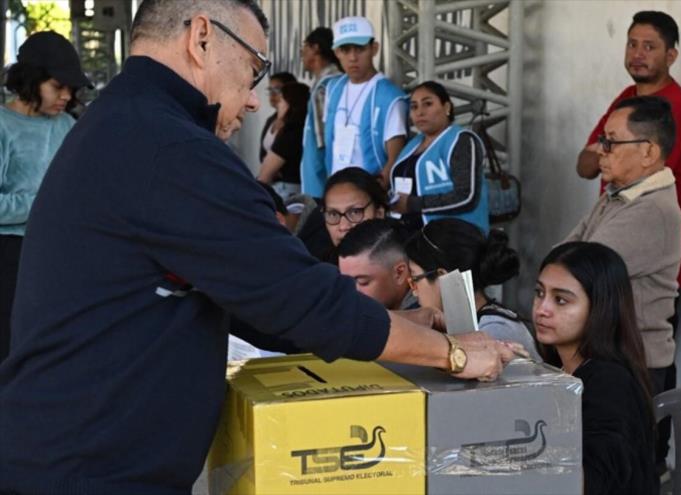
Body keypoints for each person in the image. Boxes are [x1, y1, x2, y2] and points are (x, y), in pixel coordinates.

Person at [0, 1, 514, 492]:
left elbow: (257, 301)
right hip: (89, 471)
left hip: (74, 452)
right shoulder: (169, 147)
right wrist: (450, 353)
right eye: (252, 68)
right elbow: (297, 298)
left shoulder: (124, 124)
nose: (251, 97)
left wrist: (407, 328)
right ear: (202, 37)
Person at [563, 95, 681, 475]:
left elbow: (576, 271)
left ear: (648, 151)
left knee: (620, 475)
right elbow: (560, 258)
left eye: (611, 142)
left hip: (636, 364)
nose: (601, 151)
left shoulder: (653, 210)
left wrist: (564, 269)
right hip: (610, 356)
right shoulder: (616, 198)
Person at [576, 10, 681, 290]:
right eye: (632, 44)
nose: (638, 54)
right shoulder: (627, 98)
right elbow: (583, 166)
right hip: (610, 244)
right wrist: (608, 154)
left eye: (649, 46)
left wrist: (600, 151)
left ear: (671, 56)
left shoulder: (676, 106)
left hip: (646, 259)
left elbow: (633, 177)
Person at [533, 241, 658, 494]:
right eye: (539, 293)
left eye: (561, 300)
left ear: (599, 308)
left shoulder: (610, 384)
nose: (542, 309)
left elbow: (590, 484)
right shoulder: (562, 368)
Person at [0, 31, 91, 363]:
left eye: (71, 88)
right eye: (57, 86)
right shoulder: (2, 126)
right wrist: (44, 202)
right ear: (30, 79)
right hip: (10, 255)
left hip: (59, 251)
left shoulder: (66, 125)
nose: (66, 95)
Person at [405, 218, 542, 361]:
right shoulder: (469, 325)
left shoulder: (493, 331)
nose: (414, 292)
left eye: (415, 279)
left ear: (443, 277)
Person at [389, 81, 489, 233]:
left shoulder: (461, 140)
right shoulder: (412, 145)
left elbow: (466, 197)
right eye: (414, 106)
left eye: (427, 104)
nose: (420, 112)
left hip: (455, 239)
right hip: (412, 237)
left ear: (447, 107)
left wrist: (412, 204)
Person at [322, 16, 407, 190]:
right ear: (336, 52)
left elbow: (395, 156)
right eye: (345, 50)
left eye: (360, 48)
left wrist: (375, 194)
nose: (353, 57)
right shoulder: (333, 88)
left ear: (374, 48)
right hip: (337, 190)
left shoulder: (389, 96)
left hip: (369, 192)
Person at [300, 26, 343, 198]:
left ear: (315, 48)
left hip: (321, 185)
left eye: (304, 46)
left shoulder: (326, 87)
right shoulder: (332, 82)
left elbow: (324, 142)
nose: (302, 53)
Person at [338, 218, 418, 310]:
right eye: (344, 283)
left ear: (399, 273)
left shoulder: (427, 320)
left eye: (362, 282)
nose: (349, 294)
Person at [318, 167, 389, 263]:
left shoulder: (407, 265)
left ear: (379, 214)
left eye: (355, 212)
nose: (343, 226)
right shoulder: (320, 271)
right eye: (333, 214)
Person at [256, 80, 310, 198]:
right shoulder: (306, 130)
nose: (278, 105)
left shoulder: (291, 132)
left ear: (289, 104)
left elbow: (264, 176)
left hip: (285, 192)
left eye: (281, 101)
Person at [258, 71, 296, 162]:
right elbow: (262, 155)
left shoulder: (296, 122)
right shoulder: (270, 120)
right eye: (270, 90)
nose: (272, 94)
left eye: (277, 89)